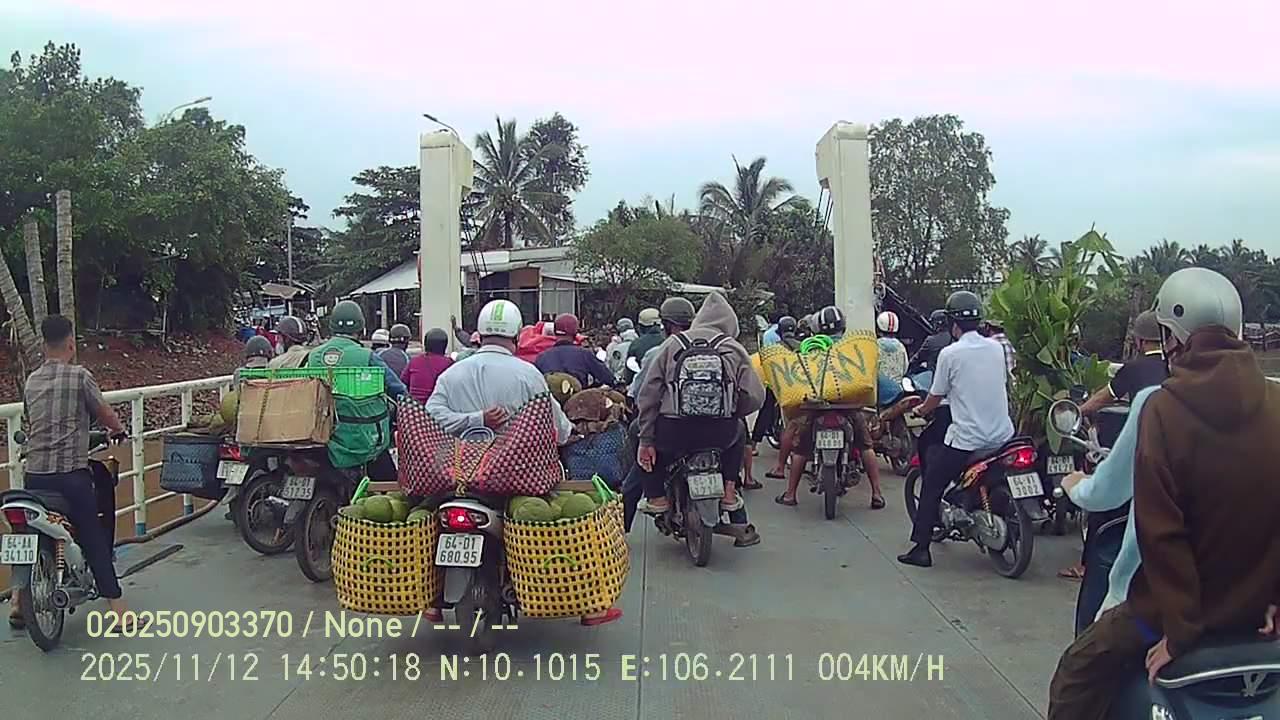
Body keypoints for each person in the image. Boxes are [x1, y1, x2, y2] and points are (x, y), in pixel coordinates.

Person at [1048, 267, 1280, 720]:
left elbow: (1161, 535)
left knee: (1076, 673)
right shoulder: (1275, 403)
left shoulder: (1163, 408)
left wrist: (1179, 632)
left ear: (1173, 336)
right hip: (1255, 609)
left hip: (1171, 614)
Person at [426, 300, 620, 626]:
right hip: (517, 478)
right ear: (516, 335)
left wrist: (473, 419)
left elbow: (431, 418)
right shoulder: (527, 375)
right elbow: (556, 425)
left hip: (458, 475)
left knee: (426, 519)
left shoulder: (452, 374)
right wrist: (568, 433)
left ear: (479, 334)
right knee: (564, 525)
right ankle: (589, 605)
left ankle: (431, 600)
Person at [9, 315, 129, 629]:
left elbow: (31, 422)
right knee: (92, 534)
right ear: (71, 344)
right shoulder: (80, 377)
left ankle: (17, 602)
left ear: (43, 344)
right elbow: (103, 412)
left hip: (34, 476)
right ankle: (119, 612)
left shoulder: (32, 381)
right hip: (70, 477)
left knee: (25, 534)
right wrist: (118, 429)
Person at [898, 291, 1014, 568]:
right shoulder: (996, 348)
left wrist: (920, 410)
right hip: (1003, 436)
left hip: (968, 440)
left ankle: (921, 549)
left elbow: (935, 397)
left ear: (953, 324)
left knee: (932, 484)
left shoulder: (950, 354)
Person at [1057, 309, 1168, 582]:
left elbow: (1102, 399)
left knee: (1103, 498)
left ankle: (1087, 566)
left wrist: (1075, 412)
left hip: (1141, 446)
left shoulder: (1134, 368)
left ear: (1139, 340)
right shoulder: (1175, 367)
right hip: (1172, 451)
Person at [633, 293, 764, 518]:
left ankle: (656, 497)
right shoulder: (733, 347)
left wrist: (646, 439)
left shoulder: (672, 344)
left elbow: (648, 394)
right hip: (721, 433)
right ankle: (729, 491)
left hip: (673, 432)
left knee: (639, 433)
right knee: (740, 430)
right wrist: (733, 411)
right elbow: (755, 396)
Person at [773, 306, 887, 511]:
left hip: (818, 408)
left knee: (801, 450)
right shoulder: (851, 348)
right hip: (848, 408)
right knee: (866, 446)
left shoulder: (811, 349)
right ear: (843, 326)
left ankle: (790, 494)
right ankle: (877, 493)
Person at [534, 313, 618, 388]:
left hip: (550, 399)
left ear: (555, 331)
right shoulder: (584, 354)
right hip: (578, 399)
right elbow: (608, 378)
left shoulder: (542, 357)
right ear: (575, 332)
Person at [401, 327, 453, 403]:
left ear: (425, 344)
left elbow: (403, 382)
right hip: (439, 406)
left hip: (416, 407)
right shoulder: (450, 364)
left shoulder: (414, 361)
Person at [623, 308, 663, 381]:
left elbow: (629, 374)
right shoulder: (670, 341)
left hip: (643, 384)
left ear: (640, 327)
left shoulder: (636, 344)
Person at [910, 309, 952, 376]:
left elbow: (917, 358)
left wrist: (908, 364)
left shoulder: (931, 340)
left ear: (938, 323)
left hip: (934, 377)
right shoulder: (955, 338)